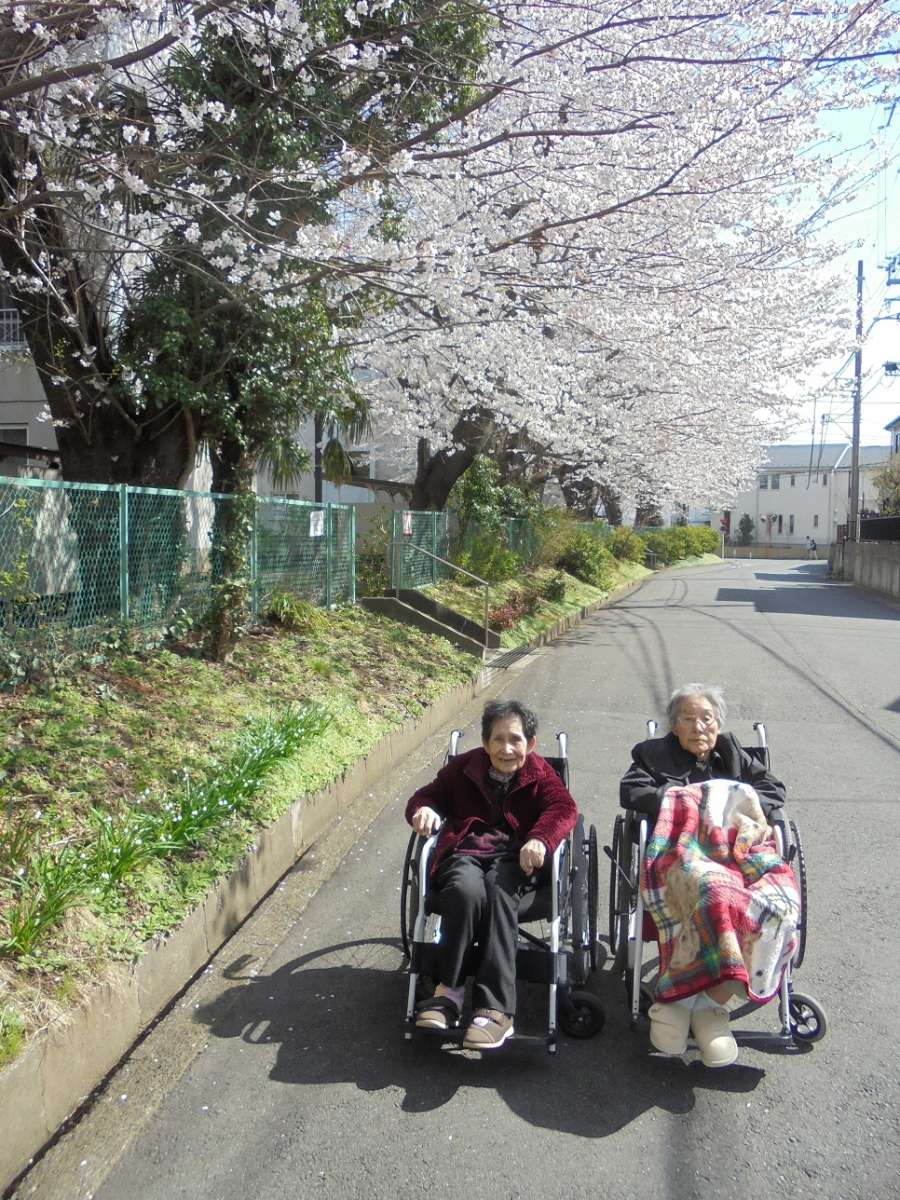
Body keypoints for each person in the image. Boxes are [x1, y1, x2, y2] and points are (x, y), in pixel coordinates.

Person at [619, 683, 787, 1067]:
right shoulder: (652, 754)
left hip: (735, 855)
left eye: (706, 718)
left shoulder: (733, 753)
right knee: (714, 892)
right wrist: (685, 802)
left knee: (777, 904)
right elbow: (631, 791)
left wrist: (738, 803)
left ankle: (702, 1001)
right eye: (688, 718)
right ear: (674, 725)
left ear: (718, 724)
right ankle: (700, 1003)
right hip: (679, 856)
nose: (699, 727)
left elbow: (773, 790)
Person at [406, 699, 577, 1050]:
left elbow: (564, 809)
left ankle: (496, 1010)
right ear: (485, 743)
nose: (506, 748)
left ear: (531, 744)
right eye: (498, 739)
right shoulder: (464, 768)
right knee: (464, 891)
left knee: (499, 893)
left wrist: (540, 839)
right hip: (466, 854)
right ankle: (447, 994)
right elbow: (427, 796)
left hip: (513, 861)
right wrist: (423, 809)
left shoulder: (541, 774)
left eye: (515, 739)